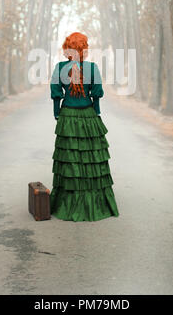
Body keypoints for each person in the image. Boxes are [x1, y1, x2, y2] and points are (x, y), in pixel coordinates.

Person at [49, 32, 119, 221]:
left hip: (68, 116)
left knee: (71, 158)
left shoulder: (60, 67)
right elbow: (96, 94)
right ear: (84, 50)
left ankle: (69, 202)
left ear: (67, 50)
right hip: (88, 115)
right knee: (91, 158)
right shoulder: (92, 68)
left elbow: (56, 93)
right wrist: (95, 113)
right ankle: (94, 201)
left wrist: (57, 113)